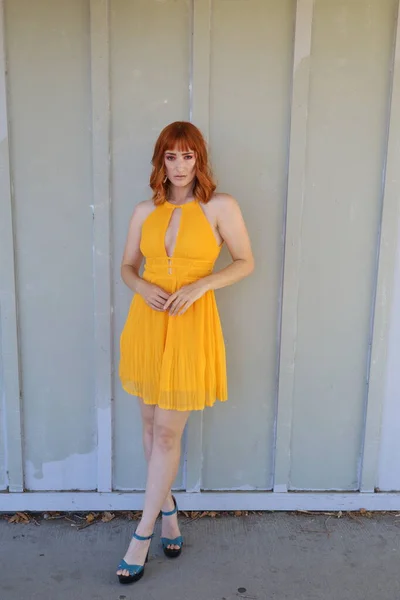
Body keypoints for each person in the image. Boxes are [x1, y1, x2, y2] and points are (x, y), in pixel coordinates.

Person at [116, 121, 254, 584]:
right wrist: (143, 287)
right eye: (171, 157)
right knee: (150, 428)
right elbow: (127, 267)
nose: (179, 166)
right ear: (161, 160)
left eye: (188, 156)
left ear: (200, 159)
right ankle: (169, 508)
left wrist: (201, 285)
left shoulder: (220, 206)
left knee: (168, 436)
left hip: (190, 324)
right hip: (148, 323)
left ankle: (142, 533)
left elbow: (244, 261)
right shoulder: (143, 211)